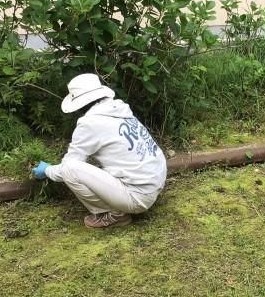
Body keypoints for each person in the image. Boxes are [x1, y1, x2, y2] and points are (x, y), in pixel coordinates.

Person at [32, 73, 167, 228]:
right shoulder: (119, 109)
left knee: (70, 169)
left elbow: (66, 168)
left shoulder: (90, 123)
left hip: (139, 197)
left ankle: (115, 215)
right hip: (156, 181)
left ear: (80, 103)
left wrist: (47, 170)